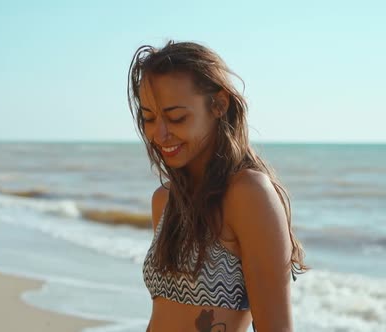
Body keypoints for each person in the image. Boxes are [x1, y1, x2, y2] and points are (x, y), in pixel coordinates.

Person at [127, 41, 309, 332]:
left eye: (176, 117)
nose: (159, 134)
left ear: (219, 105)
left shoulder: (248, 194)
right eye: (149, 118)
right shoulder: (165, 201)